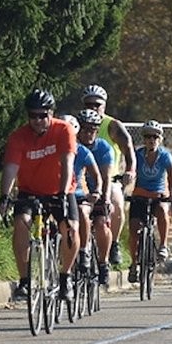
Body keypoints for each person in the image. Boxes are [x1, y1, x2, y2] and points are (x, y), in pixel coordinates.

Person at [0, 89, 79, 305]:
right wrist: (5, 196)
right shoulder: (18, 137)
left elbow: (68, 162)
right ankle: (25, 280)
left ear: (51, 113)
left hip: (60, 189)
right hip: (30, 191)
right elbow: (11, 169)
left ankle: (66, 277)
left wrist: (62, 194)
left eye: (42, 115)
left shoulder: (64, 130)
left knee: (69, 227)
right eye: (32, 115)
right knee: (21, 223)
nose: (37, 120)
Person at [80, 85, 136, 267]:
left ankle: (114, 244)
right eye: (88, 104)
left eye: (97, 104)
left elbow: (128, 150)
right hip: (81, 178)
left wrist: (130, 171)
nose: (92, 108)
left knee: (116, 202)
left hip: (108, 178)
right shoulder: (79, 122)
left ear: (104, 105)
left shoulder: (112, 126)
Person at [126, 120, 172, 284]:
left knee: (163, 210)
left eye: (155, 137)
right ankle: (134, 264)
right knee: (134, 228)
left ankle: (163, 246)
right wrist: (126, 187)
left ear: (160, 139)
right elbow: (131, 172)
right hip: (140, 195)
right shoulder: (137, 155)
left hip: (158, 195)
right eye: (148, 136)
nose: (151, 140)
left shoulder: (165, 156)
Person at [76, 108, 114, 286]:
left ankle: (103, 262)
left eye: (92, 130)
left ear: (97, 131)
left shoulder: (103, 148)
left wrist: (105, 199)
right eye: (84, 129)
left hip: (97, 192)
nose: (88, 133)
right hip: (78, 192)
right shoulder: (73, 146)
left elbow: (106, 177)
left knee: (101, 223)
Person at [63, 114, 102, 277]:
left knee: (82, 211)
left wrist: (97, 191)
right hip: (56, 192)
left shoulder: (83, 151)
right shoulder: (50, 149)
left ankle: (84, 250)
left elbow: (97, 176)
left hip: (78, 193)